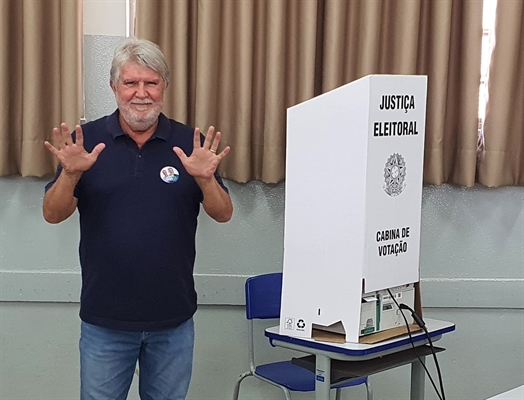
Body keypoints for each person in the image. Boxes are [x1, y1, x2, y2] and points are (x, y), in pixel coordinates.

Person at [43, 37, 233, 400]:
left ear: (164, 87)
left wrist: (206, 178)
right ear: (114, 87)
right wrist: (69, 175)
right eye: (131, 83)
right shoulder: (86, 141)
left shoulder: (188, 142)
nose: (141, 93)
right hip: (105, 320)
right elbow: (53, 214)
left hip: (173, 321)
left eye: (151, 82)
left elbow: (222, 214)